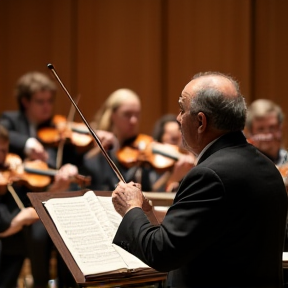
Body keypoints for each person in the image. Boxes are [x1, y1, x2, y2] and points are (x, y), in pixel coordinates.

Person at [111, 72, 287, 287]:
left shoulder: (209, 175)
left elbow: (161, 253)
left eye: (182, 110)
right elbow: (211, 234)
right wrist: (148, 214)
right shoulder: (266, 166)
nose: (177, 118)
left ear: (201, 122)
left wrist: (131, 209)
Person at [152, 114, 195, 192]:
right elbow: (154, 191)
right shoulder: (153, 165)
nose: (178, 145)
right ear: (160, 140)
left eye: (180, 138)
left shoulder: (190, 159)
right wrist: (173, 179)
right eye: (173, 139)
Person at [245, 99, 287, 166]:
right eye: (260, 129)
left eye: (272, 127)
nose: (268, 135)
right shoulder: (244, 163)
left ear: (280, 128)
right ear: (250, 133)